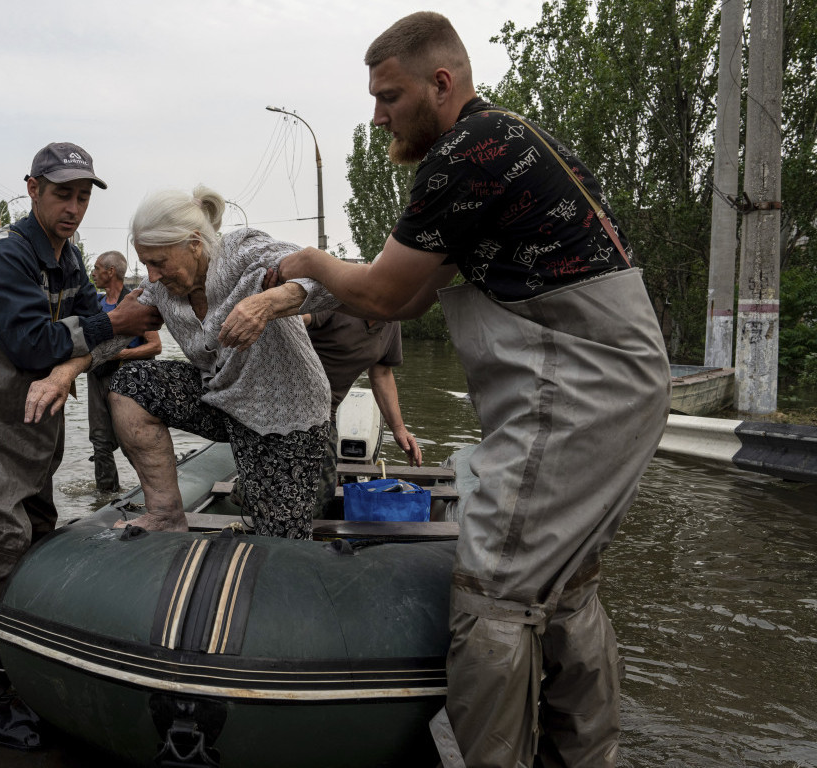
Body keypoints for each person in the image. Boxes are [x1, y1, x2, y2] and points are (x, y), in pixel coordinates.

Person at [267, 12, 670, 767]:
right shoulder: (505, 140)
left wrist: (309, 265)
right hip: (620, 379)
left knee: (494, 588)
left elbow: (388, 296)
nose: (377, 114)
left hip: (577, 385)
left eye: (389, 96)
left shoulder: (465, 155)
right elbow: (418, 292)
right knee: (566, 581)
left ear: (440, 83)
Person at [0, 142, 161, 750]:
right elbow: (31, 343)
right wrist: (111, 325)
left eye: (82, 196)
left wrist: (74, 360)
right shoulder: (5, 256)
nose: (73, 206)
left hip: (24, 420)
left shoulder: (70, 260)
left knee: (36, 532)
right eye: (62, 194)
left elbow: (73, 341)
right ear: (32, 188)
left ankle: (13, 669)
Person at [40, 185, 336, 540]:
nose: (150, 275)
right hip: (220, 399)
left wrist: (268, 303)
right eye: (145, 263)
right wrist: (64, 372)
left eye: (158, 262)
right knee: (131, 384)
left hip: (285, 411)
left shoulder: (242, 250)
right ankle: (164, 514)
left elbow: (329, 281)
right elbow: (114, 337)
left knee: (279, 539)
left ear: (194, 243)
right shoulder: (163, 290)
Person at [303, 310, 421, 517]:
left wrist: (399, 429)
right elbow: (294, 316)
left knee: (321, 493)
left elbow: (382, 373)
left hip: (324, 411)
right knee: (311, 490)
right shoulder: (338, 298)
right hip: (283, 400)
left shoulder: (391, 322)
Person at [86, 250, 161, 492]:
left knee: (131, 441)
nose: (93, 273)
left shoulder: (134, 302)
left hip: (125, 380)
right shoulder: (96, 304)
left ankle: (154, 491)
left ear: (111, 272)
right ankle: (106, 496)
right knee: (99, 440)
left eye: (97, 268)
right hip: (96, 376)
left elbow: (155, 346)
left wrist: (121, 354)